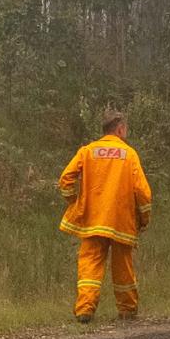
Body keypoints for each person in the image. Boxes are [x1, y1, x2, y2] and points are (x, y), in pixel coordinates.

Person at [57, 108, 152, 323]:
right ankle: (127, 310)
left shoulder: (88, 151)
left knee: (89, 266)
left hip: (92, 221)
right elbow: (143, 192)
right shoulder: (129, 154)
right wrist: (144, 218)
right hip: (120, 221)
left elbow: (66, 179)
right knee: (123, 268)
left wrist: (75, 201)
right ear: (120, 129)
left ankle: (84, 311)